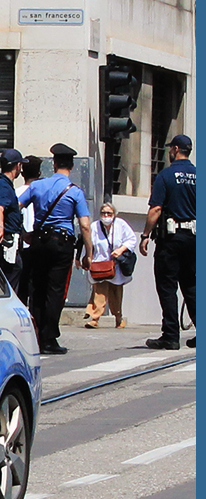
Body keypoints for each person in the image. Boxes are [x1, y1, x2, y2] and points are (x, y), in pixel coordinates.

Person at [22, 143, 93, 355]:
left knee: (37, 289)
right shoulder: (75, 192)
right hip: (61, 243)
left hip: (38, 241)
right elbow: (85, 225)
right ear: (70, 166)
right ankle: (50, 337)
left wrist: (24, 232)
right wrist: (89, 253)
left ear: (54, 164)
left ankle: (36, 336)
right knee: (55, 290)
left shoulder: (36, 186)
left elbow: (15, 207)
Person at [140, 134, 196, 350]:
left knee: (167, 286)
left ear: (175, 149)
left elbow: (156, 209)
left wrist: (145, 235)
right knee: (191, 285)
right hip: (194, 238)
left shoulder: (166, 175)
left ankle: (171, 335)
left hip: (171, 239)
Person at [83, 202, 137, 329]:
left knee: (116, 293)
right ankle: (95, 318)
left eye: (109, 213)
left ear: (114, 214)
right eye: (104, 213)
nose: (106, 216)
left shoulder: (121, 225)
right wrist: (87, 258)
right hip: (99, 264)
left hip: (116, 265)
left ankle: (119, 318)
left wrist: (121, 250)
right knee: (99, 292)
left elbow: (131, 239)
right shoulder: (95, 226)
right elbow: (88, 243)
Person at [0, 149, 26, 291]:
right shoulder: (3, 186)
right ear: (17, 166)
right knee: (12, 273)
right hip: (8, 242)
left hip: (12, 239)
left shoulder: (4, 185)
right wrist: (0, 226)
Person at [16, 155, 44, 304]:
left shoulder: (16, 193)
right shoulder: (43, 193)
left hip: (21, 245)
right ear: (39, 174)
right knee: (36, 286)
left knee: (21, 286)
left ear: (21, 173)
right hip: (38, 243)